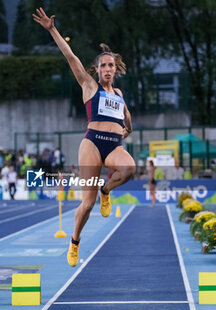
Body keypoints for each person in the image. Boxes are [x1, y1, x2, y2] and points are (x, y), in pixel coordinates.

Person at [33, 8, 135, 267]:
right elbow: (70, 56)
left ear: (116, 68)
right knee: (87, 205)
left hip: (114, 145)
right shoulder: (89, 86)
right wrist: (52, 29)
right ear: (97, 69)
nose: (107, 69)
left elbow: (126, 115)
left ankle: (106, 189)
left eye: (111, 65)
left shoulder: (120, 94)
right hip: (92, 144)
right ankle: (75, 241)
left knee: (130, 168)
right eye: (103, 65)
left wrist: (128, 128)